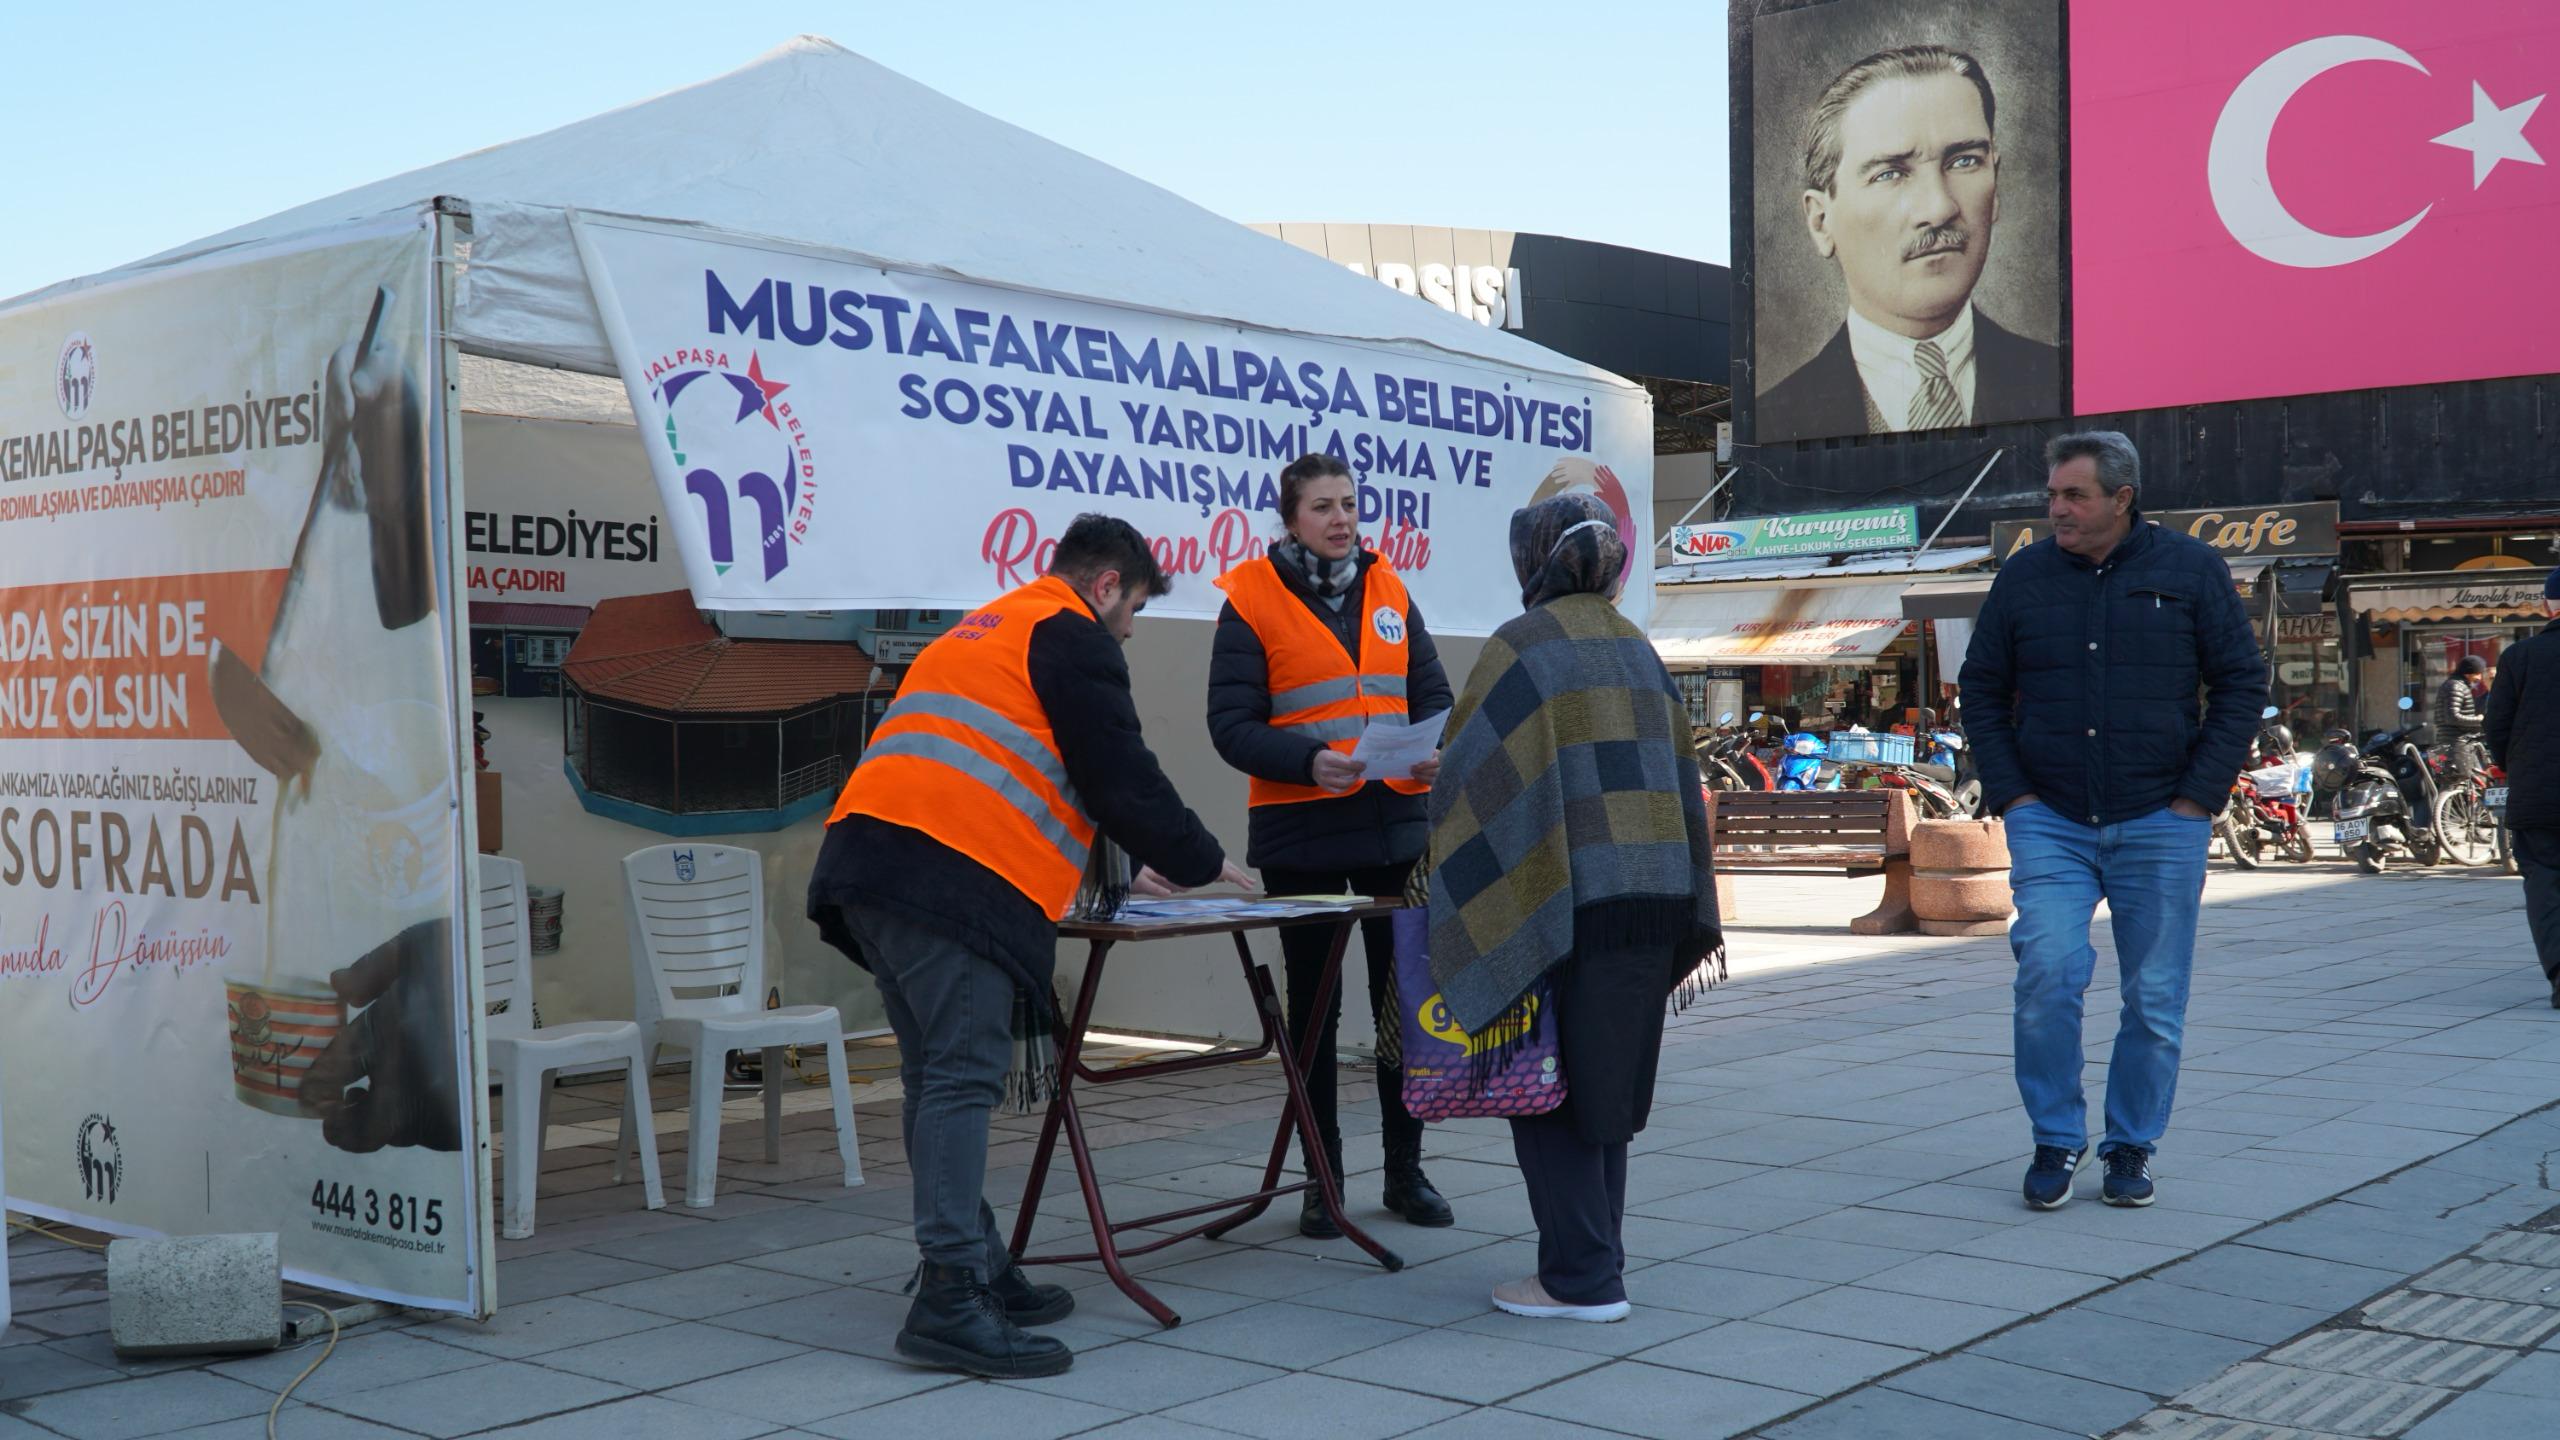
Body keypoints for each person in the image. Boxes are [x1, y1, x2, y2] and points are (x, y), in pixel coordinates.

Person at [808, 513, 1254, 1379]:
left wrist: (1116, 873)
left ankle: (977, 1264)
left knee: (933, 1075)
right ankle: (948, 1301)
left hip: (871, 866)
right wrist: (1203, 858)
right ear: (1106, 587)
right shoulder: (1072, 635)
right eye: (1128, 617)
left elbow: (1009, 760)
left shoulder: (990, 627)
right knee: (961, 1077)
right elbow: (1118, 772)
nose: (1124, 635)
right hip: (950, 883)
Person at [1427, 493, 1721, 1322]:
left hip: (1561, 902)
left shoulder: (1521, 648)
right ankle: (1596, 1260)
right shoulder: (1637, 646)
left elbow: (1465, 780)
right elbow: (1680, 776)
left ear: (1536, 559)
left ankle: (1581, 1278)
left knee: (1545, 1087)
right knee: (1606, 1087)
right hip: (1654, 898)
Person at [1960, 432, 2266, 1212]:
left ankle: (2130, 1143)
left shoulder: (2191, 570)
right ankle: (2057, 1138)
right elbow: (1982, 689)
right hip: (2050, 817)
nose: (2056, 509)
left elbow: (2239, 682)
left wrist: (2199, 796)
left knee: (2155, 997)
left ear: (2122, 499)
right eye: (2052, 495)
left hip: (2162, 817)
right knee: (2048, 975)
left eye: (2074, 496)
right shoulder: (2025, 577)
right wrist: (2014, 796)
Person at [1207, 453, 1457, 1236]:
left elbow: (1436, 696)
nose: (1342, 518)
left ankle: (1404, 1173)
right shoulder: (1249, 599)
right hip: (1303, 831)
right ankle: (1323, 1180)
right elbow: (1231, 726)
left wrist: (1435, 747)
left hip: (1394, 828)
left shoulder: (1391, 590)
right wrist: (1308, 759)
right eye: (1322, 506)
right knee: (1316, 1011)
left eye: (1349, 503)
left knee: (1400, 1008)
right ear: (1290, 518)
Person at [1759, 44, 2062, 442]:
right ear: (1820, 220)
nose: (1938, 208)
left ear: (1996, 184)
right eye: (1890, 174)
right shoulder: (1776, 418)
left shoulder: (2064, 379)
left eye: (1964, 161)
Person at [2483, 576, 2560, 1010]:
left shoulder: (2520, 657)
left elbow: (2496, 729)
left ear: (2549, 606)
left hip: (2537, 795)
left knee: (2546, 881)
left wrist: (2519, 767)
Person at [2437, 655, 2489, 777]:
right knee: (2470, 778)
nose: (2480, 678)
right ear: (2469, 673)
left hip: (2448, 742)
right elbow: (2453, 717)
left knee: (2452, 781)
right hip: (2458, 743)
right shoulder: (2456, 687)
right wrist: (2479, 720)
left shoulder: (2452, 685)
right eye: (2478, 673)